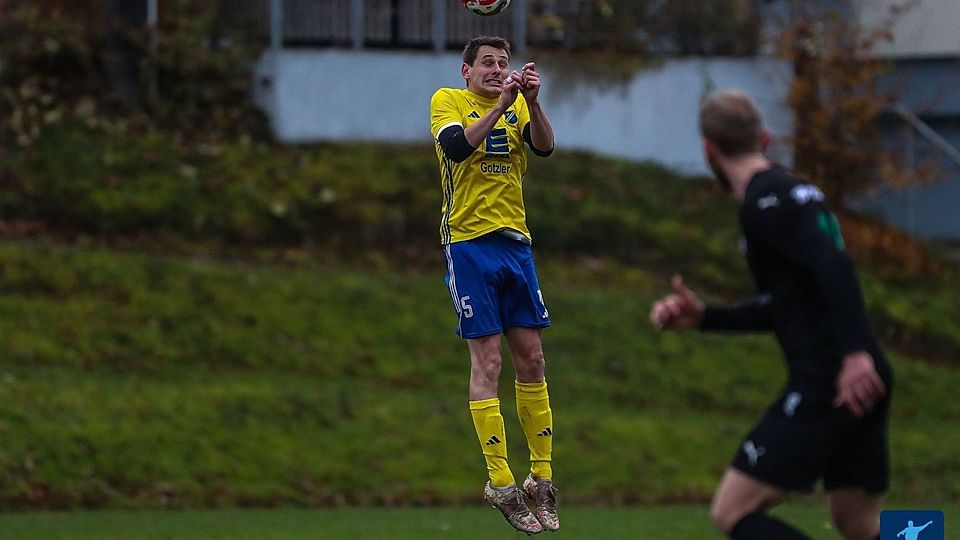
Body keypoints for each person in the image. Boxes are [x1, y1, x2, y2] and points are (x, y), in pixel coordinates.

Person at [649, 89, 893, 540]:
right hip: (864, 370)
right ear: (763, 136)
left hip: (832, 378)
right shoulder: (789, 189)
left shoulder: (765, 202)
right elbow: (788, 305)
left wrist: (853, 354)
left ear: (709, 150)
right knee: (859, 523)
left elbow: (834, 266)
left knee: (732, 510)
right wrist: (707, 317)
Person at [429, 36, 558, 535]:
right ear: (466, 71)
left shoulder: (517, 105)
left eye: (503, 64)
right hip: (468, 245)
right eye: (487, 63)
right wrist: (503, 103)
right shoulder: (448, 101)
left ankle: (540, 479)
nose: (496, 69)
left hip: (516, 245)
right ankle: (500, 482)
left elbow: (544, 147)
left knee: (534, 359)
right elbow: (457, 147)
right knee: (488, 360)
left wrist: (531, 101)